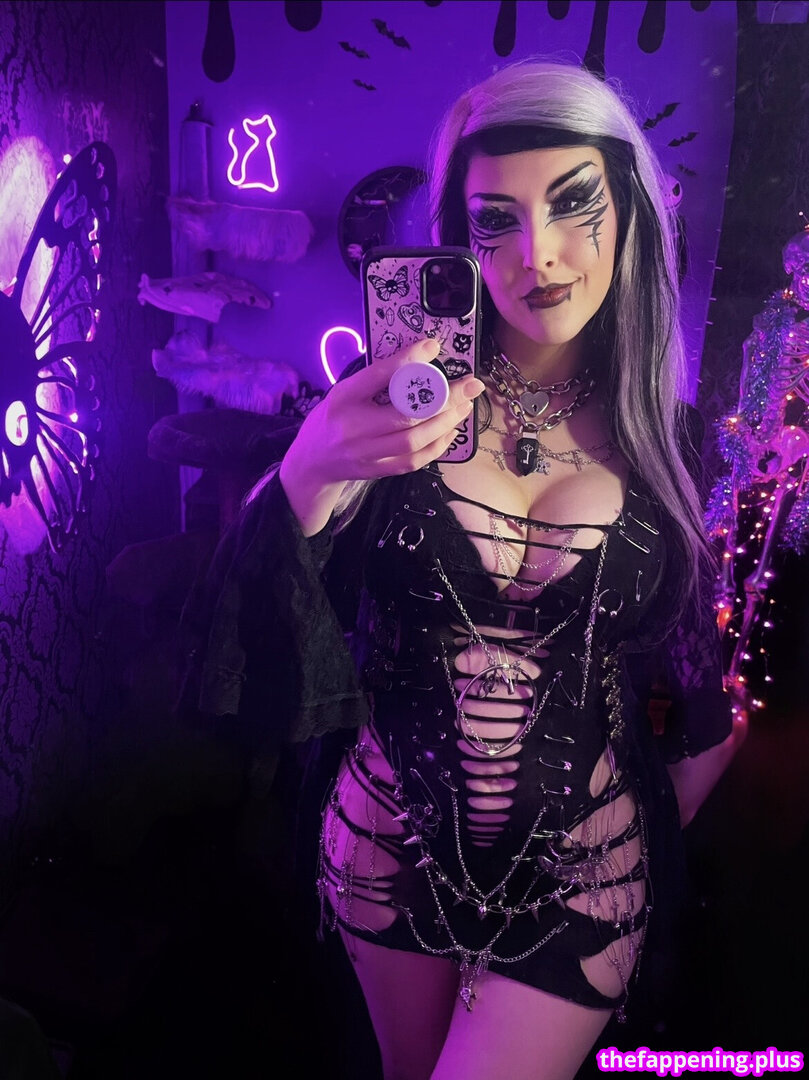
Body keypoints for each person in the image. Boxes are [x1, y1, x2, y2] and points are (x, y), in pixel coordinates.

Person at [179, 59, 745, 1080]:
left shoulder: (671, 444)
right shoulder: (386, 405)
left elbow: (692, 681)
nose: (539, 254)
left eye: (572, 203)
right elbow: (246, 642)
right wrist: (308, 470)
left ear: (630, 208)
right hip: (385, 846)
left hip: (582, 869)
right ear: (457, 239)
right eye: (496, 221)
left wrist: (652, 811)